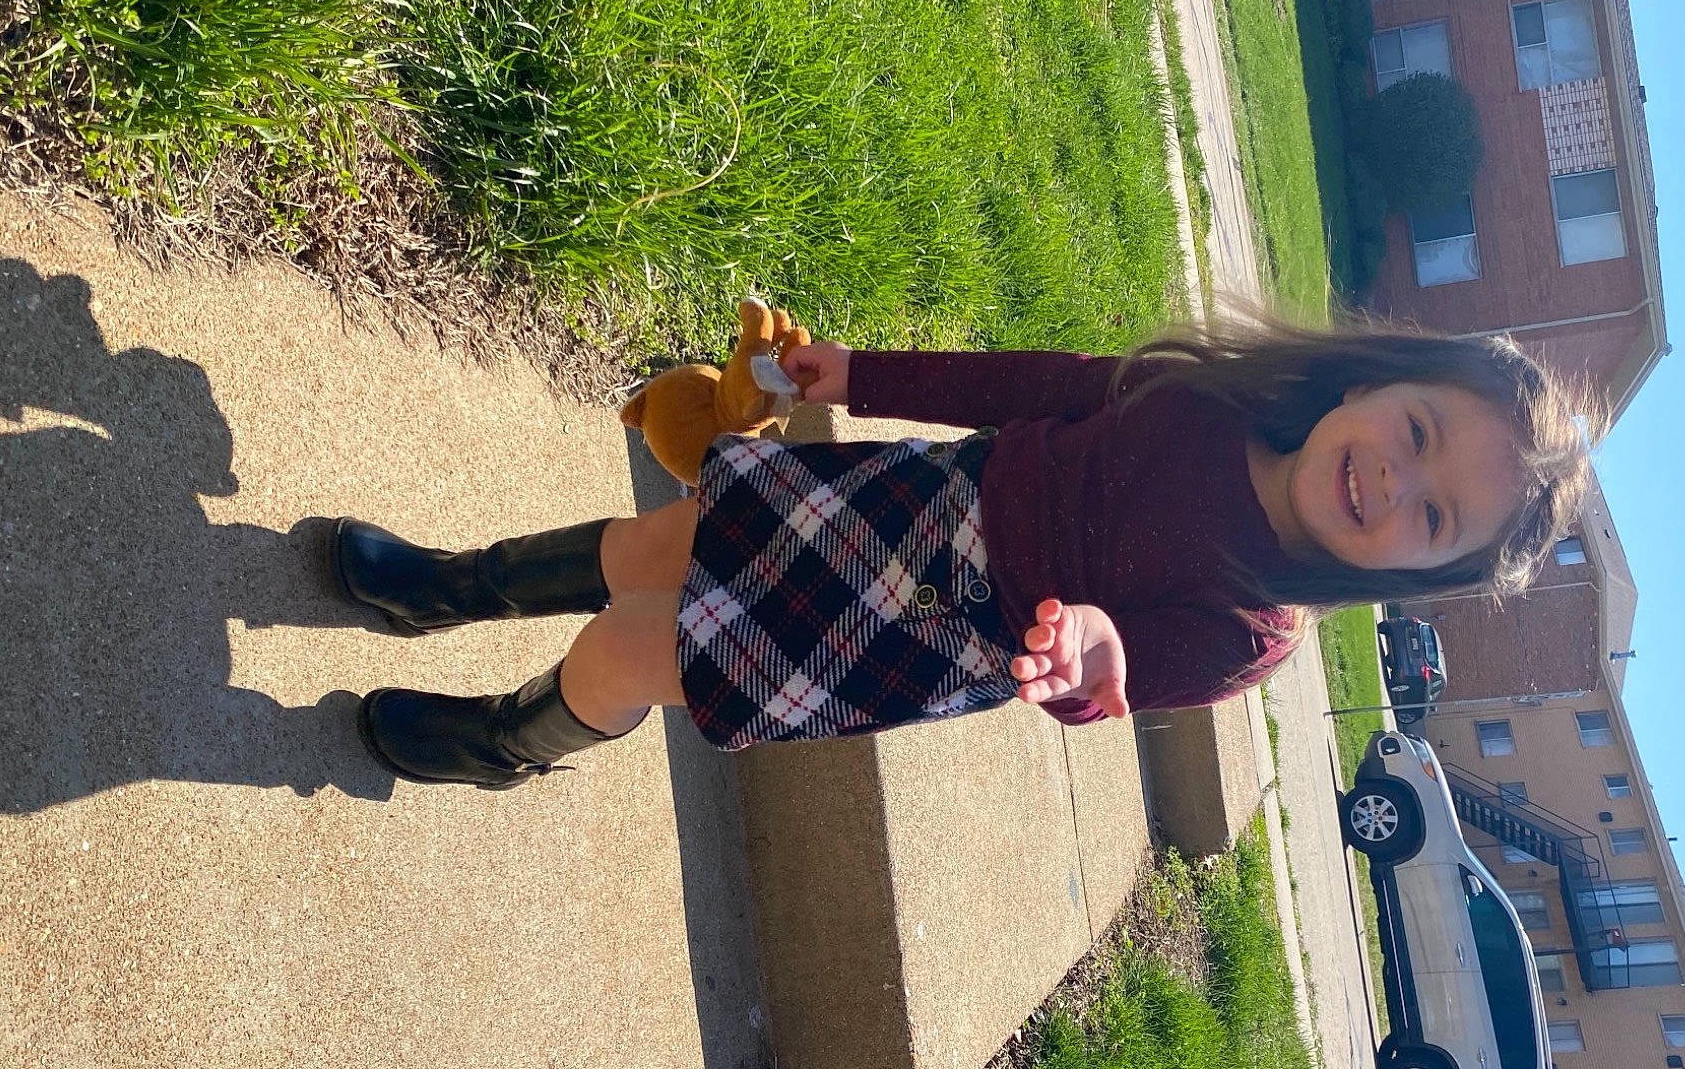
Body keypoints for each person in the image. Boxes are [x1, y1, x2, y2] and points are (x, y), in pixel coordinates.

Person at [330, 316, 1595, 788]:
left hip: (923, 632)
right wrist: (862, 376)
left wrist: (1089, 653)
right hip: (902, 500)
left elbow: (1112, 676)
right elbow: (1029, 383)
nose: (1395, 482)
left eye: (1433, 519)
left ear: (1408, 576)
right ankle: (448, 589)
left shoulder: (1250, 632)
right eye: (1417, 432)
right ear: (1372, 383)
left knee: (629, 650)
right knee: (656, 541)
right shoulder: (1205, 397)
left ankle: (503, 745)